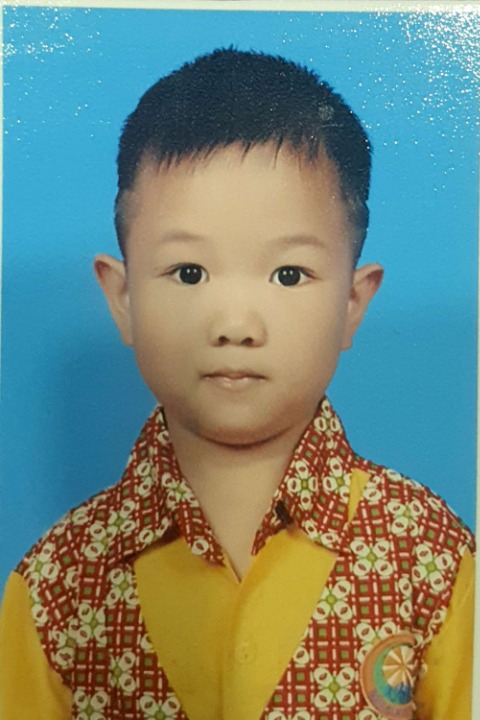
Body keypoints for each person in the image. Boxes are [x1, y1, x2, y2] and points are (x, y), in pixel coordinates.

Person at [0, 48, 474, 720]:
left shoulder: (432, 556)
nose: (235, 326)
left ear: (353, 303)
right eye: (189, 273)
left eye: (288, 275)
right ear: (122, 297)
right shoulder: (55, 584)